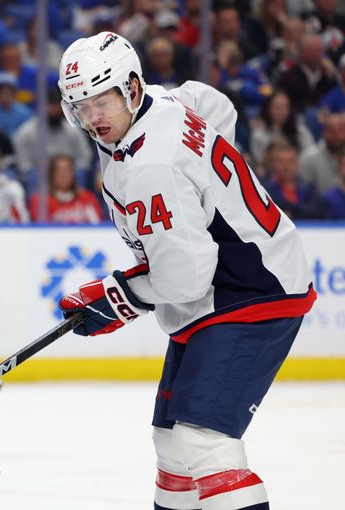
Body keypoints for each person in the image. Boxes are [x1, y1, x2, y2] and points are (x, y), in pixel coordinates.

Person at [56, 32, 316, 510]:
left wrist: (120, 296)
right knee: (173, 446)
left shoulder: (151, 169)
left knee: (203, 443)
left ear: (130, 88)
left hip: (252, 290)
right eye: (80, 106)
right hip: (229, 284)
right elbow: (213, 104)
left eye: (101, 101)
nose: (92, 119)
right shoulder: (161, 100)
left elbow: (186, 279)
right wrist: (205, 192)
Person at [261, 141, 330, 219]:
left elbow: (317, 213)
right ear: (273, 163)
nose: (286, 166)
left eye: (290, 161)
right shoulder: (264, 190)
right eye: (281, 162)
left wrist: (289, 208)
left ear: (297, 163)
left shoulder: (309, 190)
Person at [28, 154, 103, 224]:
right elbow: (40, 229)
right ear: (51, 174)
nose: (63, 175)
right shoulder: (41, 201)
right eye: (59, 171)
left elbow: (97, 226)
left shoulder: (87, 198)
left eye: (67, 170)